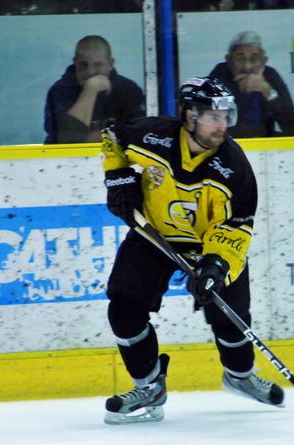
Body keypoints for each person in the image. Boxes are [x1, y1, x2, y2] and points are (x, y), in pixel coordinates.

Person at [100, 76, 284, 424]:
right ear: (189, 116)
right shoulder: (152, 136)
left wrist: (215, 266)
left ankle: (240, 376)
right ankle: (149, 386)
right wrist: (119, 180)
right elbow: (112, 137)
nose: (222, 124)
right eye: (213, 116)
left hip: (208, 247)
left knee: (230, 320)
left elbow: (235, 228)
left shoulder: (235, 169)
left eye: (226, 115)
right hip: (155, 236)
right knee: (123, 309)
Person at [44, 35, 144, 144]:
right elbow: (67, 141)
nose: (90, 72)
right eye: (83, 64)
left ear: (111, 64)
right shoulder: (60, 91)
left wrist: (85, 137)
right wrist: (91, 89)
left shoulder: (128, 90)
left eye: (98, 65)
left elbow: (135, 137)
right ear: (75, 62)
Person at [207, 30, 294, 138]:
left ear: (264, 61)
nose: (247, 66)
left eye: (254, 58)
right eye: (240, 58)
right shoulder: (219, 76)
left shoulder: (270, 76)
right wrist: (238, 93)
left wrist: (267, 91)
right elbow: (214, 124)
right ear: (229, 60)